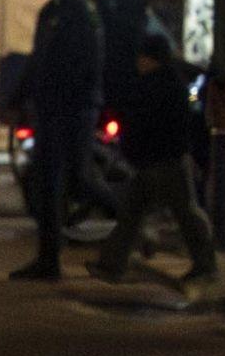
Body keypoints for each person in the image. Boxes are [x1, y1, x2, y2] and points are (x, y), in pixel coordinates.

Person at [88, 29, 216, 295]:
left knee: (180, 213)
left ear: (151, 58)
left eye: (142, 57)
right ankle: (111, 264)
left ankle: (204, 265)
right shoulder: (169, 83)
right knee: (138, 213)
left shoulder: (158, 85)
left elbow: (149, 123)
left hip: (163, 161)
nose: (138, 61)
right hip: (158, 160)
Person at [14, 0, 101, 282]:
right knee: (47, 184)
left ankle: (131, 217)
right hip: (52, 111)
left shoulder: (79, 10)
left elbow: (85, 62)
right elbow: (39, 61)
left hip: (72, 109)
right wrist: (21, 98)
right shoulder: (51, 12)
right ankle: (48, 259)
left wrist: (73, 99)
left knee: (77, 179)